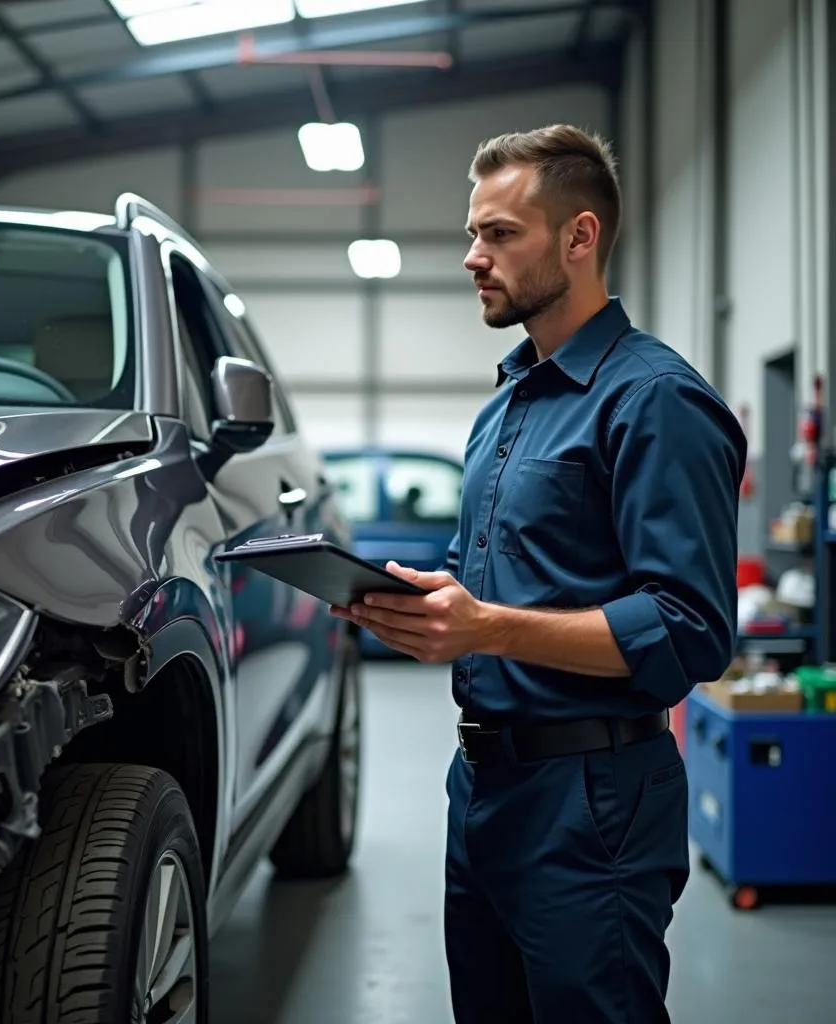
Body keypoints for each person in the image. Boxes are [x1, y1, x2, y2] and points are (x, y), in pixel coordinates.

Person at [329, 124, 747, 1023]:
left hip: (591, 802)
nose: (475, 258)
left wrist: (488, 628)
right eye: (473, 234)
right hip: (481, 785)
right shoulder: (509, 402)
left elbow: (691, 630)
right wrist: (416, 607)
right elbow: (487, 574)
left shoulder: (656, 401)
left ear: (579, 236)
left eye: (501, 234)